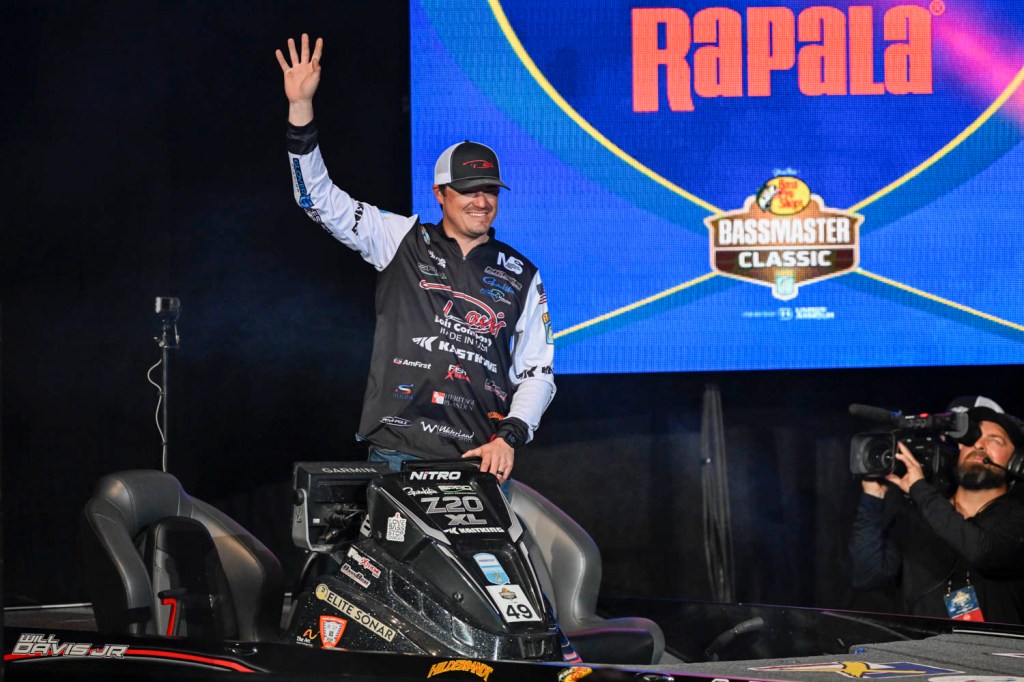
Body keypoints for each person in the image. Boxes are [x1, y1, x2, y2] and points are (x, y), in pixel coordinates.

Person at [275, 35, 555, 484]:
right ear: (440, 194)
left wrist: (509, 438)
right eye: (468, 190)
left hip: (477, 460)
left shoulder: (522, 273)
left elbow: (537, 372)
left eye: (489, 191)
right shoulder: (400, 238)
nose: (481, 201)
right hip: (396, 453)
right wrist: (300, 107)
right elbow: (318, 199)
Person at [849, 396, 1024, 623]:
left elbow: (984, 553)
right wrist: (872, 497)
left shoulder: (1017, 517)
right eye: (970, 438)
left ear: (1016, 461)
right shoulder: (918, 515)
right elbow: (867, 577)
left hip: (995, 647)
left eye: (995, 439)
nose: (979, 445)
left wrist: (920, 490)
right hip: (925, 646)